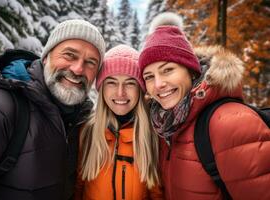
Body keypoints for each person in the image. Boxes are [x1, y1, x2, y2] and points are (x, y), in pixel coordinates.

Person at [138, 12, 270, 200]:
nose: (158, 84)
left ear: (191, 71)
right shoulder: (165, 126)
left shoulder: (230, 123)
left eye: (168, 70)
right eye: (149, 77)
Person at [0, 19, 105, 200]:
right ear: (46, 56)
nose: (79, 69)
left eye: (91, 62)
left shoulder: (80, 122)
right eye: (69, 55)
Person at [74, 45, 163, 200]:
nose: (120, 92)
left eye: (130, 83)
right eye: (112, 82)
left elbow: (158, 194)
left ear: (140, 90)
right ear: (101, 89)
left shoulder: (153, 134)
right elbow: (77, 188)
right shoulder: (87, 131)